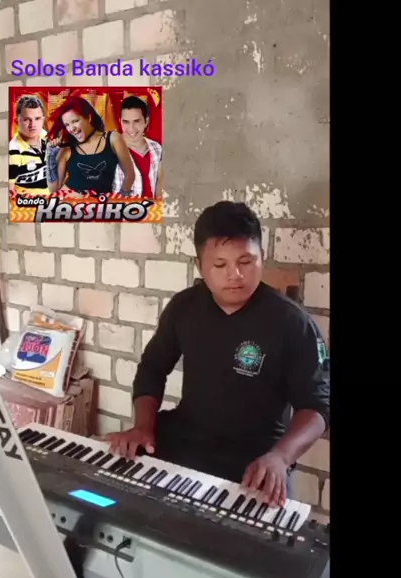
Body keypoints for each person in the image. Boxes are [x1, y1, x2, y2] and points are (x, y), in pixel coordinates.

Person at [105, 201, 330, 507]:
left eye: (246, 261)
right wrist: (143, 426)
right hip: (186, 439)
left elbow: (317, 406)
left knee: (252, 531)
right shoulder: (184, 307)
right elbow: (152, 368)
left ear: (262, 258)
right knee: (116, 495)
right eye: (220, 265)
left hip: (257, 457)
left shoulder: (292, 323)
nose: (234, 275)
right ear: (200, 266)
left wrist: (281, 456)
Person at [46, 96, 135, 196]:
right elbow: (53, 188)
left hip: (102, 204)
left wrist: (118, 200)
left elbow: (130, 175)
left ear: (89, 117)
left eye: (75, 121)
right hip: (72, 204)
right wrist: (50, 156)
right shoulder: (67, 149)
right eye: (67, 125)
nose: (71, 129)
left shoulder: (113, 139)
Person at [112, 95, 164, 198]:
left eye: (136, 121)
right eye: (126, 122)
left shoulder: (156, 148)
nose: (131, 128)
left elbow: (159, 183)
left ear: (146, 121)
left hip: (152, 207)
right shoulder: (111, 151)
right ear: (120, 121)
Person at [8, 95, 49, 196]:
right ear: (17, 121)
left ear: (43, 120)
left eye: (37, 119)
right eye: (27, 119)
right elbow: (9, 192)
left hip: (55, 200)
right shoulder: (13, 151)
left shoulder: (49, 139)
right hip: (28, 202)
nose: (32, 125)